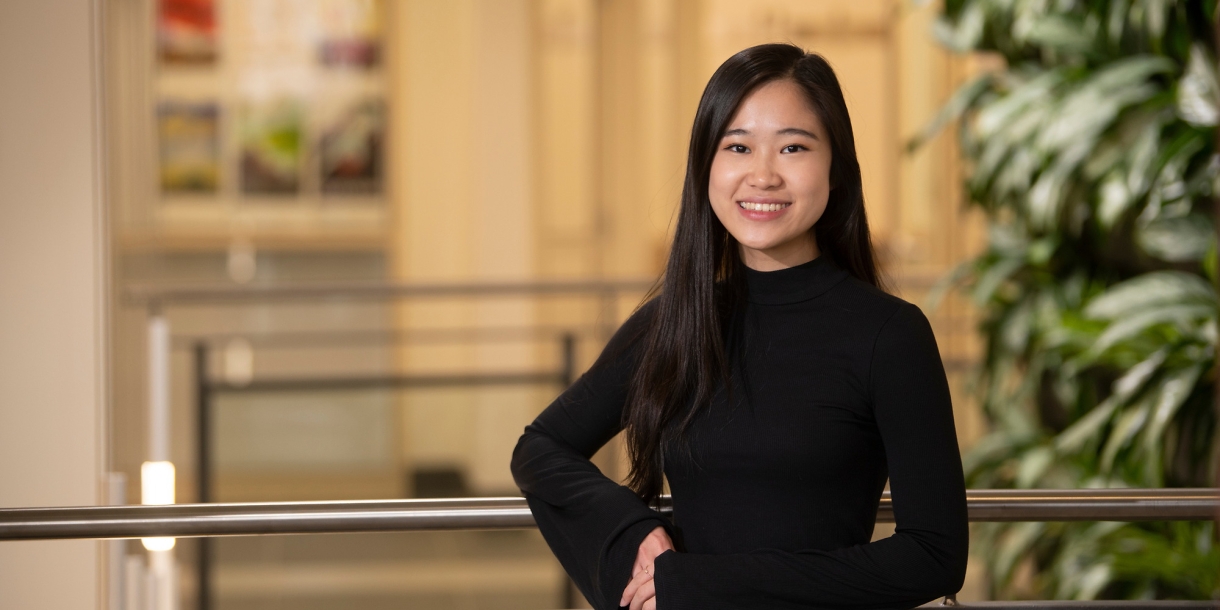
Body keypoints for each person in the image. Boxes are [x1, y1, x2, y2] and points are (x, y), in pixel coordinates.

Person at [511, 42, 968, 610]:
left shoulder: (890, 335)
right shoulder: (676, 321)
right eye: (738, 146)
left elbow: (934, 554)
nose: (762, 175)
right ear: (707, 166)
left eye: (793, 147)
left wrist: (707, 585)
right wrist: (630, 532)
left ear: (836, 169)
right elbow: (542, 449)